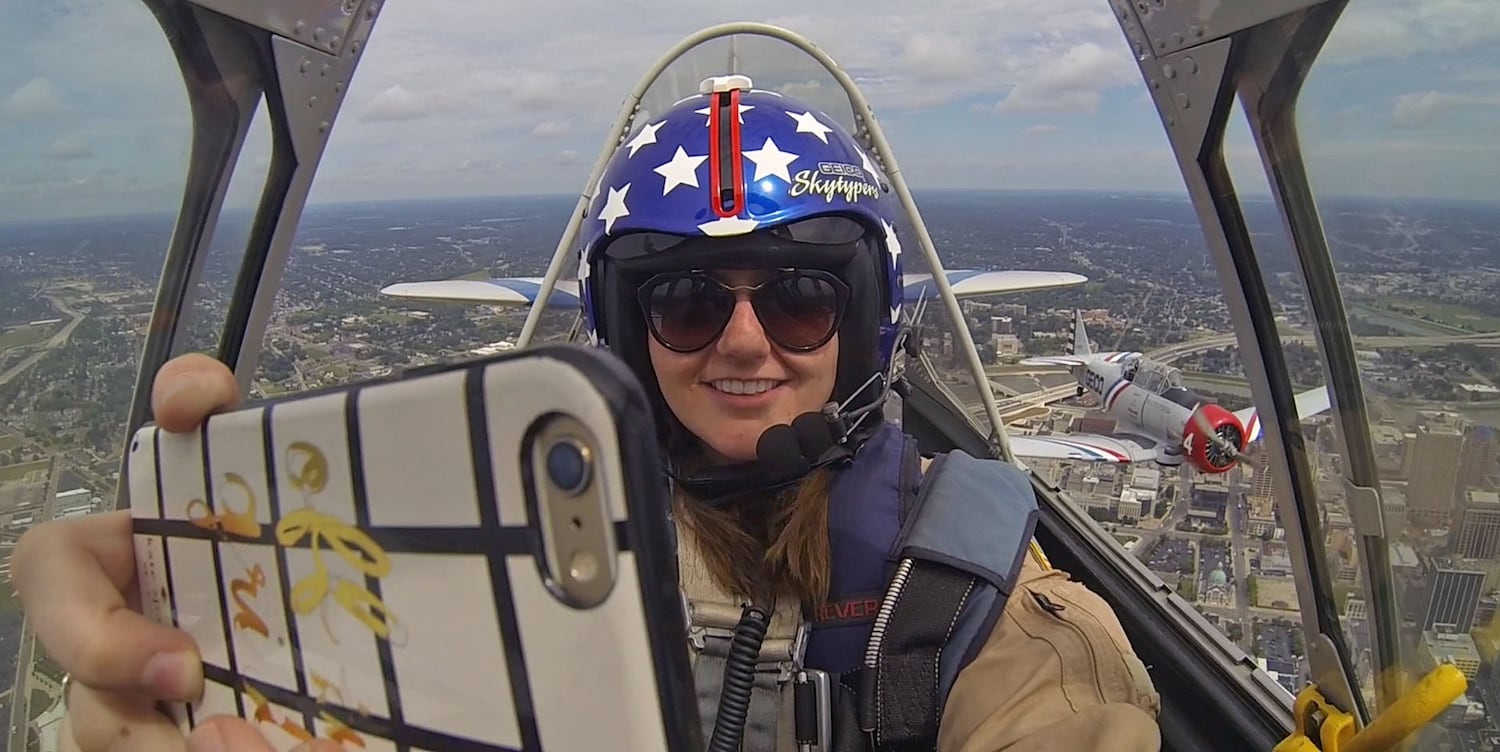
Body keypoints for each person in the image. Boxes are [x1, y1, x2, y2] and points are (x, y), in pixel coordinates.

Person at [14, 76, 1161, 752]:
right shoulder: (493, 562)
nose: (747, 340)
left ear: (869, 324)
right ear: (622, 330)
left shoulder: (985, 625)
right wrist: (183, 660)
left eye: (805, 295)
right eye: (686, 299)